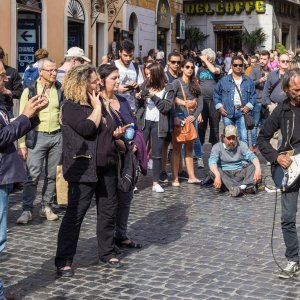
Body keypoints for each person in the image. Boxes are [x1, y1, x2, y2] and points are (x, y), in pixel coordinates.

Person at [55, 64, 125, 277]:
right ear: (81, 84)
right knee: (75, 216)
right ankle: (64, 259)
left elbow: (108, 127)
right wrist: (96, 107)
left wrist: (116, 133)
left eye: (98, 81)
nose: (99, 84)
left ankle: (107, 251)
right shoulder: (71, 107)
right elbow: (87, 128)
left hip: (106, 165)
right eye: (94, 81)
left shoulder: (100, 103)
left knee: (108, 211)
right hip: (83, 168)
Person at [0, 61, 48, 300]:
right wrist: (25, 115)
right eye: (1, 75)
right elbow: (1, 136)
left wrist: (31, 115)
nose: (5, 78)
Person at [257, 68, 300, 279]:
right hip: (290, 167)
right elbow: (262, 139)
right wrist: (276, 157)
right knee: (287, 218)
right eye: (295, 90)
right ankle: (294, 259)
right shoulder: (281, 111)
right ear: (286, 90)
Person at [98, 63, 145, 249]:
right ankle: (107, 241)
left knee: (125, 196)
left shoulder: (123, 101)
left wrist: (134, 144)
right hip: (108, 156)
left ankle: (121, 234)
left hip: (127, 156)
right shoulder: (97, 103)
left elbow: (135, 126)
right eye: (114, 78)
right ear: (102, 81)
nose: (118, 81)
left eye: (118, 77)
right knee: (109, 201)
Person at [17, 58, 63, 224]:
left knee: (52, 175)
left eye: (55, 70)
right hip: (37, 136)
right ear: (41, 72)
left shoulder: (59, 89)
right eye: (50, 70)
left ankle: (46, 206)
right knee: (32, 176)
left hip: (57, 136)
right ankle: (27, 209)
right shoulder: (29, 91)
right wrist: (21, 145)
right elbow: (22, 118)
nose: (53, 73)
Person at [136, 62, 174, 192]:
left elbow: (166, 107)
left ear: (157, 75)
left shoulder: (168, 88)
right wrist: (139, 98)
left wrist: (153, 97)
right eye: (146, 74)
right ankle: (133, 181)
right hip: (144, 122)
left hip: (159, 123)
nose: (147, 77)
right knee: (138, 151)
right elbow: (139, 106)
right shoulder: (144, 85)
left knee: (157, 154)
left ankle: (156, 182)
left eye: (149, 75)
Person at [172, 59, 203, 186]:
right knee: (177, 149)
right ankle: (175, 178)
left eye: (192, 67)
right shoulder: (176, 83)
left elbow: (201, 104)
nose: (190, 69)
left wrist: (194, 116)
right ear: (182, 68)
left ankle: (191, 176)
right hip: (179, 119)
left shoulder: (195, 84)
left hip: (191, 119)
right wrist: (174, 117)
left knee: (190, 149)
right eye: (187, 67)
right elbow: (170, 100)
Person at [213, 55, 256, 145]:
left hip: (243, 112)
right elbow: (216, 94)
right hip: (227, 112)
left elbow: (253, 96)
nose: (238, 67)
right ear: (231, 66)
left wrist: (248, 106)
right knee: (229, 137)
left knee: (244, 137)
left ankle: (244, 158)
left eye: (240, 65)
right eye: (235, 65)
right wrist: (220, 107)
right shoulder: (223, 80)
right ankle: (231, 157)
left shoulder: (248, 81)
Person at [209, 125, 261, 197]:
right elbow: (212, 161)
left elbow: (252, 156)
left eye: (233, 138)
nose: (231, 141)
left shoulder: (241, 144)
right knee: (213, 171)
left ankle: (239, 188)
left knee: (253, 166)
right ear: (223, 138)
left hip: (239, 172)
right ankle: (244, 187)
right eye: (228, 138)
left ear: (237, 138)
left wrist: (258, 168)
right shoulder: (217, 147)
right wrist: (217, 175)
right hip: (225, 174)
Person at [262, 53, 290, 150]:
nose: (285, 63)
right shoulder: (272, 74)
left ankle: (284, 154)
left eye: (287, 61)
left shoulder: (292, 75)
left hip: (288, 106)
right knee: (274, 132)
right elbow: (266, 90)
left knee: (287, 131)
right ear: (278, 63)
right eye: (283, 61)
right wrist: (268, 104)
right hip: (274, 105)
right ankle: (273, 157)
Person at [196, 48, 221, 148]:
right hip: (202, 101)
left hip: (214, 101)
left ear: (209, 59)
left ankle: (215, 151)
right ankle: (199, 153)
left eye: (203, 59)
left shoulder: (217, 67)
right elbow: (197, 83)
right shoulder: (200, 69)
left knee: (214, 127)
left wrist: (205, 60)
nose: (202, 61)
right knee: (201, 127)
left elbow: (214, 71)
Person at [249, 50, 270, 152]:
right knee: (255, 124)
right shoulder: (255, 69)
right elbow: (249, 84)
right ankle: (253, 146)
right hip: (257, 100)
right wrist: (260, 80)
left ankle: (263, 144)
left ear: (268, 60)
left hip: (267, 101)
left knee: (267, 125)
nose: (262, 61)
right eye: (261, 58)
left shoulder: (271, 70)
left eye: (264, 59)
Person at [114, 39, 144, 111]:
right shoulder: (112, 65)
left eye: (131, 56)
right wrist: (117, 89)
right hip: (116, 108)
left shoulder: (136, 67)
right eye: (125, 55)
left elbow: (141, 85)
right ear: (119, 53)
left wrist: (137, 86)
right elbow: (103, 87)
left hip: (132, 109)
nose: (128, 58)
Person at [0, 46, 23, 119]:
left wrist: (7, 92)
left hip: (6, 110)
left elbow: (20, 92)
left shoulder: (12, 71)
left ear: (3, 57)